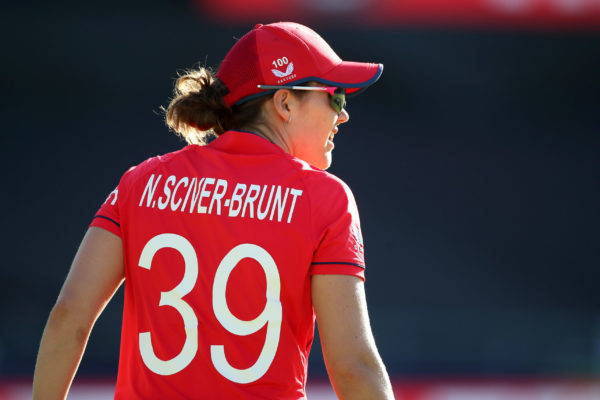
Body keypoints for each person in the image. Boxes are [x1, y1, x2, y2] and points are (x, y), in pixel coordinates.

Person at [33, 22, 394, 399]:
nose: (343, 115)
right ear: (285, 102)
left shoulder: (141, 181)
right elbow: (353, 369)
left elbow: (69, 316)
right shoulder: (326, 199)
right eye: (335, 96)